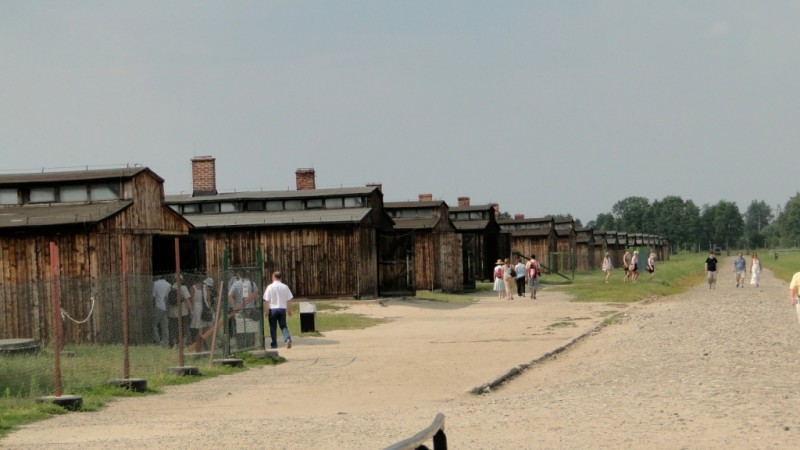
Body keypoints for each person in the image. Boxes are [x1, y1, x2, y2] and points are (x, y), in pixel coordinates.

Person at [263, 271, 293, 349]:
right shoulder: (285, 287)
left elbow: (266, 300)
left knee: (273, 327)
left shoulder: (270, 287)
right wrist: (289, 310)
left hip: (272, 309)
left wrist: (265, 311)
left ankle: (274, 343)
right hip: (282, 308)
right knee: (283, 326)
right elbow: (289, 299)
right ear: (280, 277)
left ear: (273, 277)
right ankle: (287, 339)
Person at [228, 271, 260, 335]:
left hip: (239, 311)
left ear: (239, 275)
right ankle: (253, 343)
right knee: (251, 331)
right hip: (251, 310)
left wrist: (233, 306)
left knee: (241, 331)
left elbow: (229, 296)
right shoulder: (252, 284)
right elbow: (257, 297)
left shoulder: (236, 284)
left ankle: (241, 342)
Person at [190, 276, 215, 350]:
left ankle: (199, 348)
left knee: (199, 330)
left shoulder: (192, 288)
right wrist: (210, 309)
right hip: (206, 308)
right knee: (207, 330)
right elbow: (208, 300)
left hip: (197, 309)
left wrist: (191, 311)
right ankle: (208, 347)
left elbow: (192, 301)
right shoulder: (206, 288)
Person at [168, 274, 192, 347]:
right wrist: (191, 310)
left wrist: (167, 311)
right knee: (184, 328)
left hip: (172, 313)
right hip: (183, 312)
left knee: (173, 329)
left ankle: (174, 343)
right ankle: (183, 343)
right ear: (181, 280)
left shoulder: (169, 288)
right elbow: (187, 300)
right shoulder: (183, 288)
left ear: (173, 280)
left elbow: (166, 300)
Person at [152, 276, 171, 347]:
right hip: (166, 307)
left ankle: (158, 341)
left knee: (154, 325)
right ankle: (166, 342)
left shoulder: (155, 283)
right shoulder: (169, 284)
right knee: (165, 326)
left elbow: (153, 296)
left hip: (158, 306)